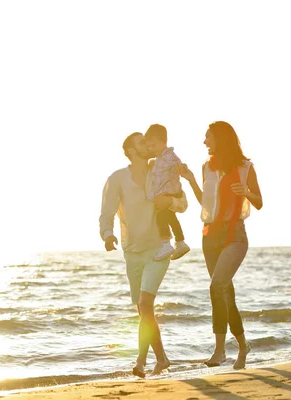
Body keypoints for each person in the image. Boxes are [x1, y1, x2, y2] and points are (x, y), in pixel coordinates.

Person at [99, 131, 188, 377]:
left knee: (145, 304)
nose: (147, 145)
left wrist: (168, 203)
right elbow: (106, 212)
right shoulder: (117, 178)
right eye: (141, 143)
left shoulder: (161, 170)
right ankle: (161, 358)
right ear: (130, 151)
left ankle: (141, 361)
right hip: (132, 251)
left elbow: (183, 204)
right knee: (142, 309)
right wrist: (107, 234)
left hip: (159, 249)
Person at [179, 121, 263, 370]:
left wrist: (246, 191)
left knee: (216, 286)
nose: (204, 142)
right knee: (225, 293)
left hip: (235, 234)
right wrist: (192, 179)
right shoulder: (206, 167)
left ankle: (219, 350)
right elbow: (204, 202)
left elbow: (259, 202)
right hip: (210, 236)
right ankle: (242, 347)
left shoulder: (245, 167)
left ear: (221, 139)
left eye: (208, 137)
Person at [144, 124, 190, 261]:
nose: (151, 149)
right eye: (149, 147)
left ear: (163, 141)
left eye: (153, 145)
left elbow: (177, 164)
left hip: (169, 193)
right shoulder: (158, 159)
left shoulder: (169, 155)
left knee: (161, 217)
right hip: (166, 193)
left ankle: (166, 243)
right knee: (171, 218)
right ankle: (181, 242)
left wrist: (182, 168)